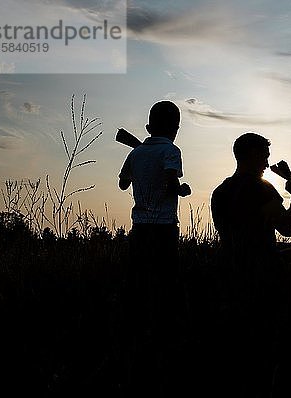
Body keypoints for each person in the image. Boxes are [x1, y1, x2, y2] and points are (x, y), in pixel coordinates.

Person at [210, 132, 291, 396]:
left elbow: (234, 233)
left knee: (234, 347)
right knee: (264, 347)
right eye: (264, 156)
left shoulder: (220, 191)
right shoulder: (261, 189)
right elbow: (286, 227)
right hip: (261, 277)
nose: (267, 162)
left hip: (228, 272)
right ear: (251, 155)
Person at [118, 100, 191, 394]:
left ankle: (135, 341)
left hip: (139, 230)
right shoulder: (171, 151)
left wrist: (139, 170)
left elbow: (123, 184)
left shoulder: (136, 153)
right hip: (163, 230)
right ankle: (164, 348)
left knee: (138, 287)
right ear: (176, 129)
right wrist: (181, 189)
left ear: (149, 127)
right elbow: (173, 181)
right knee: (166, 289)